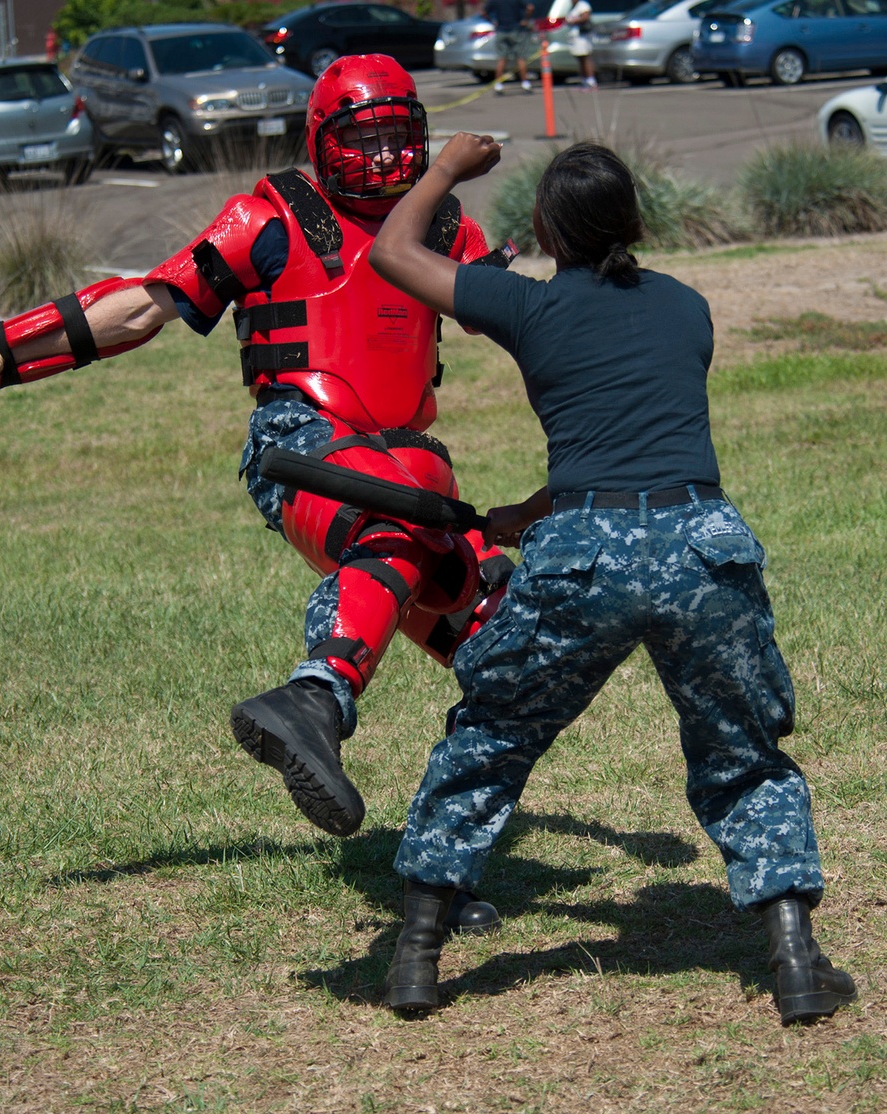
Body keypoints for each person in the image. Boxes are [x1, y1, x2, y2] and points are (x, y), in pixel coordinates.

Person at [0, 56, 518, 935]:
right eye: (364, 138)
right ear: (322, 142)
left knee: (513, 659)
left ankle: (438, 874)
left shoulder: (443, 223)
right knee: (403, 501)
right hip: (304, 450)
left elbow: (525, 317)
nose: (385, 160)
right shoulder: (270, 217)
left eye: (398, 138)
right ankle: (317, 695)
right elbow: (146, 306)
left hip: (413, 472)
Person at [368, 135, 858, 1023]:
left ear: (547, 226)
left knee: (492, 734)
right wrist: (532, 506)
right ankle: (794, 960)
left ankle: (416, 959)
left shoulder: (530, 306)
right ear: (633, 220)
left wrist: (443, 170)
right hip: (701, 546)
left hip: (583, 555)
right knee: (742, 752)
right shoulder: (687, 307)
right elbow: (636, 427)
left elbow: (392, 253)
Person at [484, 0, 535, 94]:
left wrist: (492, 21)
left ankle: (498, 85)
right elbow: (530, 7)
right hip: (516, 29)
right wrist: (525, 20)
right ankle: (525, 83)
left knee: (502, 59)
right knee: (520, 58)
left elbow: (484, 12)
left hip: (501, 30)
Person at [566, 0, 597, 89]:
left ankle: (591, 80)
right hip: (574, 36)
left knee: (585, 57)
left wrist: (574, 21)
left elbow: (585, 17)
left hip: (582, 36)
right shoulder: (572, 7)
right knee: (580, 58)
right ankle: (584, 79)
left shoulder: (583, 5)